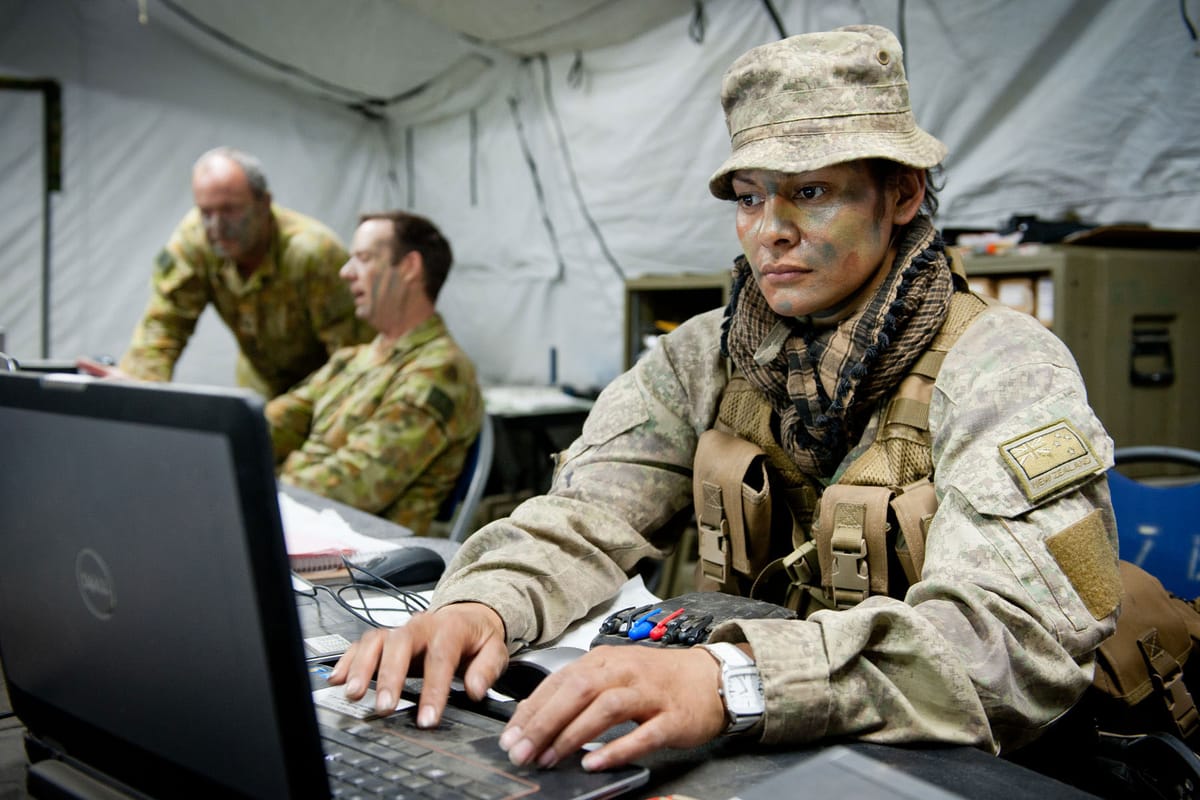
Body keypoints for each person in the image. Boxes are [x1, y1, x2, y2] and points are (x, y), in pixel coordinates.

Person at [331, 25, 1120, 774]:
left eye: (810, 192)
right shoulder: (703, 355)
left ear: (903, 194)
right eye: (748, 197)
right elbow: (582, 516)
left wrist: (734, 680)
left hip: (950, 762)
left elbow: (1015, 642)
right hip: (783, 747)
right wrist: (481, 606)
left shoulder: (1003, 365)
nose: (769, 230)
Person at [85, 147, 372, 397]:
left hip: (329, 388)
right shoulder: (195, 242)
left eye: (231, 210)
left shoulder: (312, 254)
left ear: (264, 203)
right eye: (206, 212)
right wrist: (140, 389)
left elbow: (352, 359)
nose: (217, 227)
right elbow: (164, 324)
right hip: (260, 387)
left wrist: (295, 412)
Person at [266, 211, 483, 536]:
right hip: (307, 529)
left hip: (368, 562)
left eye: (363, 258)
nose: (345, 272)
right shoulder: (352, 360)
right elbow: (271, 425)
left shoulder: (441, 370)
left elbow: (358, 484)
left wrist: (262, 488)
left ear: (410, 267)